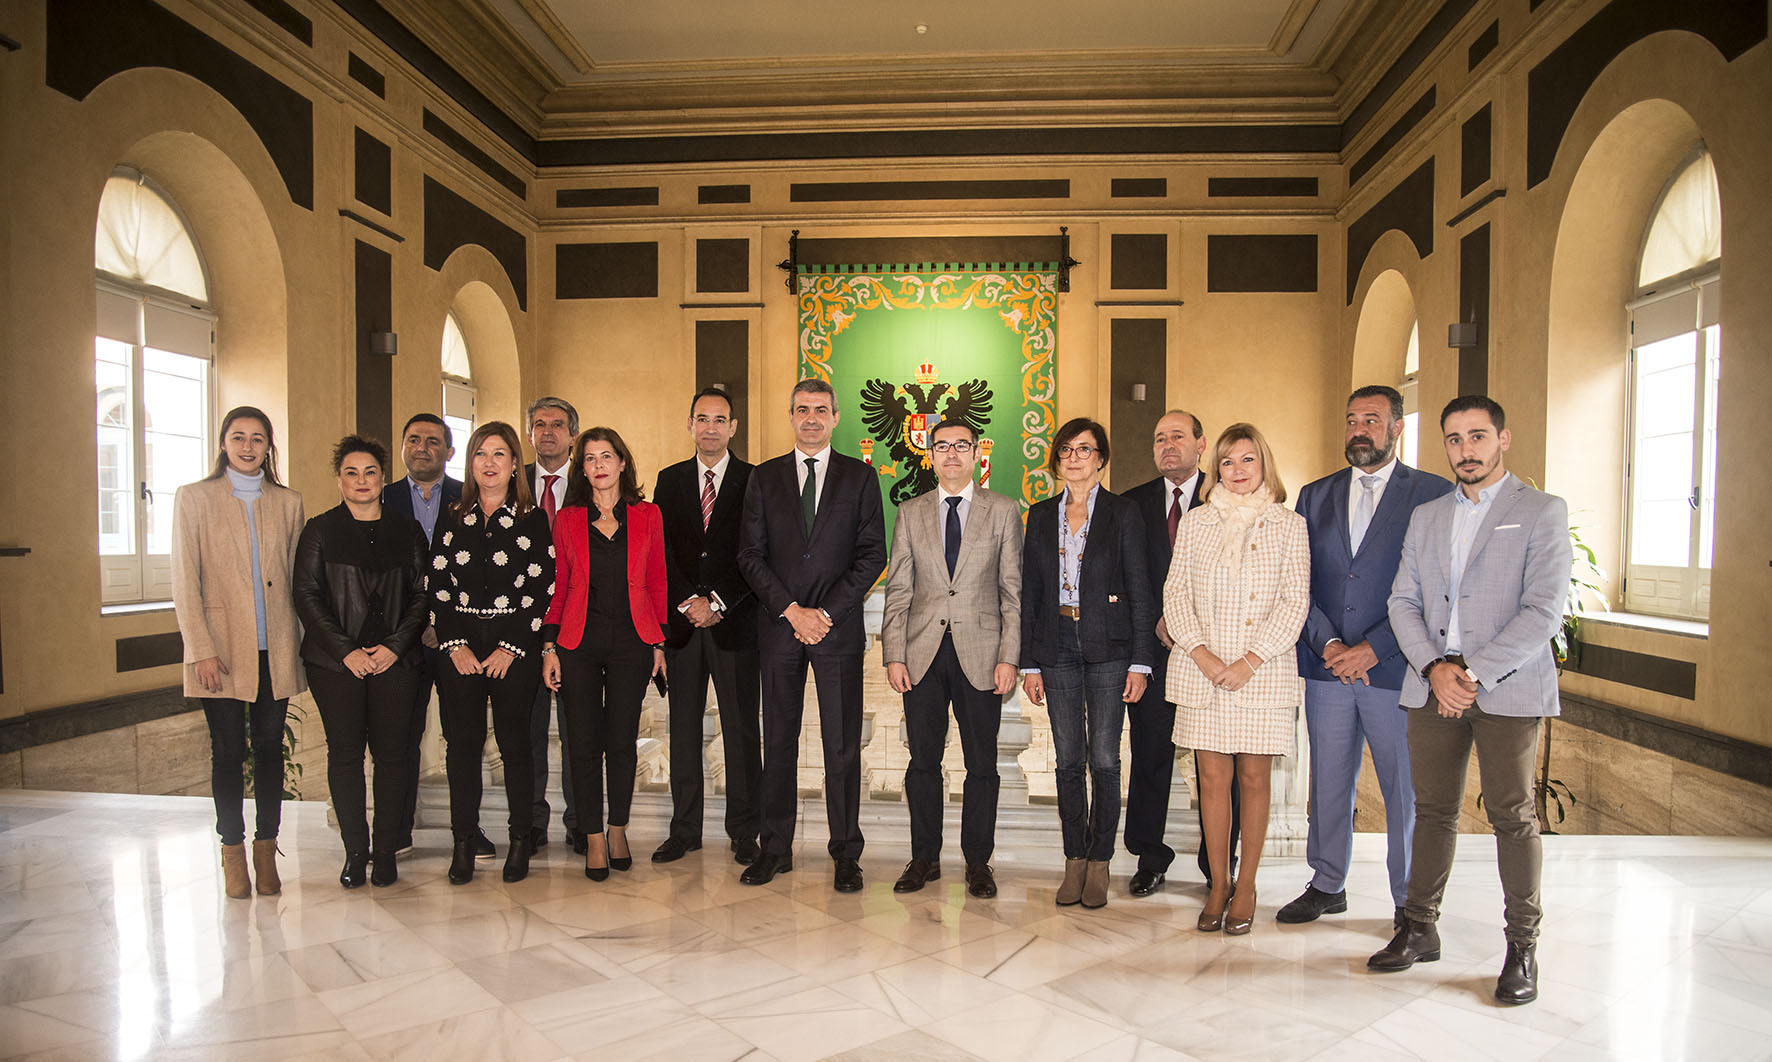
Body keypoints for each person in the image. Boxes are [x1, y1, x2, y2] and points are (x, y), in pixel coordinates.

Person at [1371, 395, 1568, 1006]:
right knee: (1432, 810)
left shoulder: (1539, 511)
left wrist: (1472, 672)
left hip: (1506, 686)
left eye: (1478, 437)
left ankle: (1522, 946)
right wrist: (1435, 668)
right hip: (1433, 684)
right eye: (1454, 440)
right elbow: (1401, 601)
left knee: (1513, 815)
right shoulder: (1428, 516)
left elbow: (1543, 610)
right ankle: (1420, 926)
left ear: (1502, 440)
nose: (1466, 451)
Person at [1281, 386, 1452, 929]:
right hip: (1328, 668)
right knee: (1329, 779)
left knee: (1405, 787)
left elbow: (1435, 590)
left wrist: (1373, 648)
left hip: (1397, 669)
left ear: (1397, 427)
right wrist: (1329, 645)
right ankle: (1327, 881)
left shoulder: (1433, 494)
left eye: (1372, 420)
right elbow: (1296, 583)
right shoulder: (1314, 495)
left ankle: (1409, 898)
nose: (1360, 428)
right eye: (1352, 418)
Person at [736, 378, 887, 891]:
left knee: (842, 745)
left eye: (821, 410)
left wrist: (825, 613)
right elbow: (749, 555)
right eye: (802, 409)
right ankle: (774, 848)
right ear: (791, 415)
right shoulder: (765, 478)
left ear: (837, 416)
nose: (811, 419)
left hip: (836, 632)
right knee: (777, 741)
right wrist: (791, 610)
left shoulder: (860, 479)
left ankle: (846, 852)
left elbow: (872, 555)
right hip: (779, 631)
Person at [1164, 422, 1309, 935]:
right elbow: (1175, 593)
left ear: (1264, 464)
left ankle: (1246, 884)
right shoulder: (1198, 522)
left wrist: (1249, 660)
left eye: (1248, 460)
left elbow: (1295, 603)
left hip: (1261, 672)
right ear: (1216, 468)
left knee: (1253, 778)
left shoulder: (1289, 525)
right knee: (1212, 780)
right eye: (1228, 461)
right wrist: (1202, 654)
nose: (1238, 470)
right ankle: (1219, 883)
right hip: (1204, 670)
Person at [880, 419, 1022, 899]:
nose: (952, 454)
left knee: (982, 763)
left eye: (961, 446)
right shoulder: (910, 511)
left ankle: (978, 862)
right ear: (931, 454)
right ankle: (924, 858)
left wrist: (1010, 656)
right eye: (942, 447)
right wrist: (893, 654)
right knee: (923, 760)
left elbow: (1012, 592)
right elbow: (898, 589)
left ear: (977, 452)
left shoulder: (1002, 511)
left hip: (982, 654)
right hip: (921, 654)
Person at [170, 405, 305, 899]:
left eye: (257, 438)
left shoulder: (288, 502)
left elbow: (297, 579)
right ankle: (232, 852)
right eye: (238, 437)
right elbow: (185, 582)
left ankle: (266, 851)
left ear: (269, 446)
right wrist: (200, 649)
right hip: (219, 652)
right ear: (223, 443)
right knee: (228, 752)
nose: (248, 446)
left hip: (277, 648)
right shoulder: (194, 498)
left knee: (270, 750)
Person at [1020, 418, 1154, 910]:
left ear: (1101, 458)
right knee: (1068, 759)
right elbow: (1030, 592)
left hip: (1110, 647)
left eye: (1085, 449)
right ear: (1057, 459)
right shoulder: (1038, 515)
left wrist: (1141, 661)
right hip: (1054, 645)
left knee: (1104, 757)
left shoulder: (1123, 513)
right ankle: (1073, 858)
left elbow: (1141, 588)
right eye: (1067, 449)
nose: (1075, 457)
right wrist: (1029, 664)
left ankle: (1100, 861)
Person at [293, 435, 429, 888]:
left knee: (393, 757)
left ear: (383, 479)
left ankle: (386, 850)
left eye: (370, 472)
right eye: (351, 472)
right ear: (339, 480)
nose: (361, 480)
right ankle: (355, 851)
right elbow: (307, 596)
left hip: (397, 662)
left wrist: (394, 647)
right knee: (346, 756)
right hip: (336, 667)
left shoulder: (407, 530)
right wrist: (346, 650)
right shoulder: (320, 530)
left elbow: (422, 595)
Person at [429, 421, 555, 885]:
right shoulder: (452, 514)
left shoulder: (532, 519)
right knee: (462, 747)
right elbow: (437, 583)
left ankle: (521, 838)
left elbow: (543, 588)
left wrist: (511, 646)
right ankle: (463, 840)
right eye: (482, 453)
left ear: (513, 464)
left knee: (515, 745)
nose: (489, 462)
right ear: (470, 461)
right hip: (459, 645)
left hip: (513, 647)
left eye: (500, 454)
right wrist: (455, 644)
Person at [1121, 408, 1241, 898]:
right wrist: (1155, 624)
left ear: (1200, 443)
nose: (1167, 445)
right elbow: (1127, 580)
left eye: (1177, 436)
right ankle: (1150, 857)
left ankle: (1219, 863)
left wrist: (1196, 630)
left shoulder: (1231, 495)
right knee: (1150, 757)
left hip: (1217, 656)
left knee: (1220, 764)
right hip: (1155, 653)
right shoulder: (1132, 505)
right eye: (1158, 438)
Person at [541, 427, 668, 881]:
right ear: (584, 468)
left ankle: (618, 829)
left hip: (632, 642)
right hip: (577, 642)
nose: (598, 465)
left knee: (621, 742)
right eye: (590, 458)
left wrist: (658, 642)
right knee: (583, 743)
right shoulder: (569, 519)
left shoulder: (648, 516)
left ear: (621, 463)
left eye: (606, 456)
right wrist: (550, 646)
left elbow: (656, 582)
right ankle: (592, 836)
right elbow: (557, 586)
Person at [652, 388, 763, 866]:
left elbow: (756, 552)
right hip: (683, 628)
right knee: (683, 730)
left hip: (734, 623)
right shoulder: (670, 480)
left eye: (721, 420)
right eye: (703, 418)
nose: (711, 427)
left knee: (740, 731)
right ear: (690, 424)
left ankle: (744, 831)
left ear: (733, 427)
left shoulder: (754, 480)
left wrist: (716, 601)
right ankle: (684, 830)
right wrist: (687, 602)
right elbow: (662, 552)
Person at [382, 414, 493, 861]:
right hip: (401, 641)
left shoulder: (467, 497)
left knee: (461, 737)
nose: (422, 447)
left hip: (455, 640)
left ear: (450, 452)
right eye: (413, 440)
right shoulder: (383, 497)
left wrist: (443, 627)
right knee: (400, 737)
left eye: (433, 441)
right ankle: (397, 828)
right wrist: (413, 626)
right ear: (403, 447)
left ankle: (467, 831)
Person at [525, 396, 582, 853]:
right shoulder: (510, 481)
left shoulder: (591, 480)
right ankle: (531, 821)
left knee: (577, 729)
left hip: (576, 626)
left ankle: (581, 821)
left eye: (557, 425)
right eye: (540, 424)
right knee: (527, 731)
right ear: (529, 434)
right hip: (521, 628)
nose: (548, 432)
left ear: (572, 435)